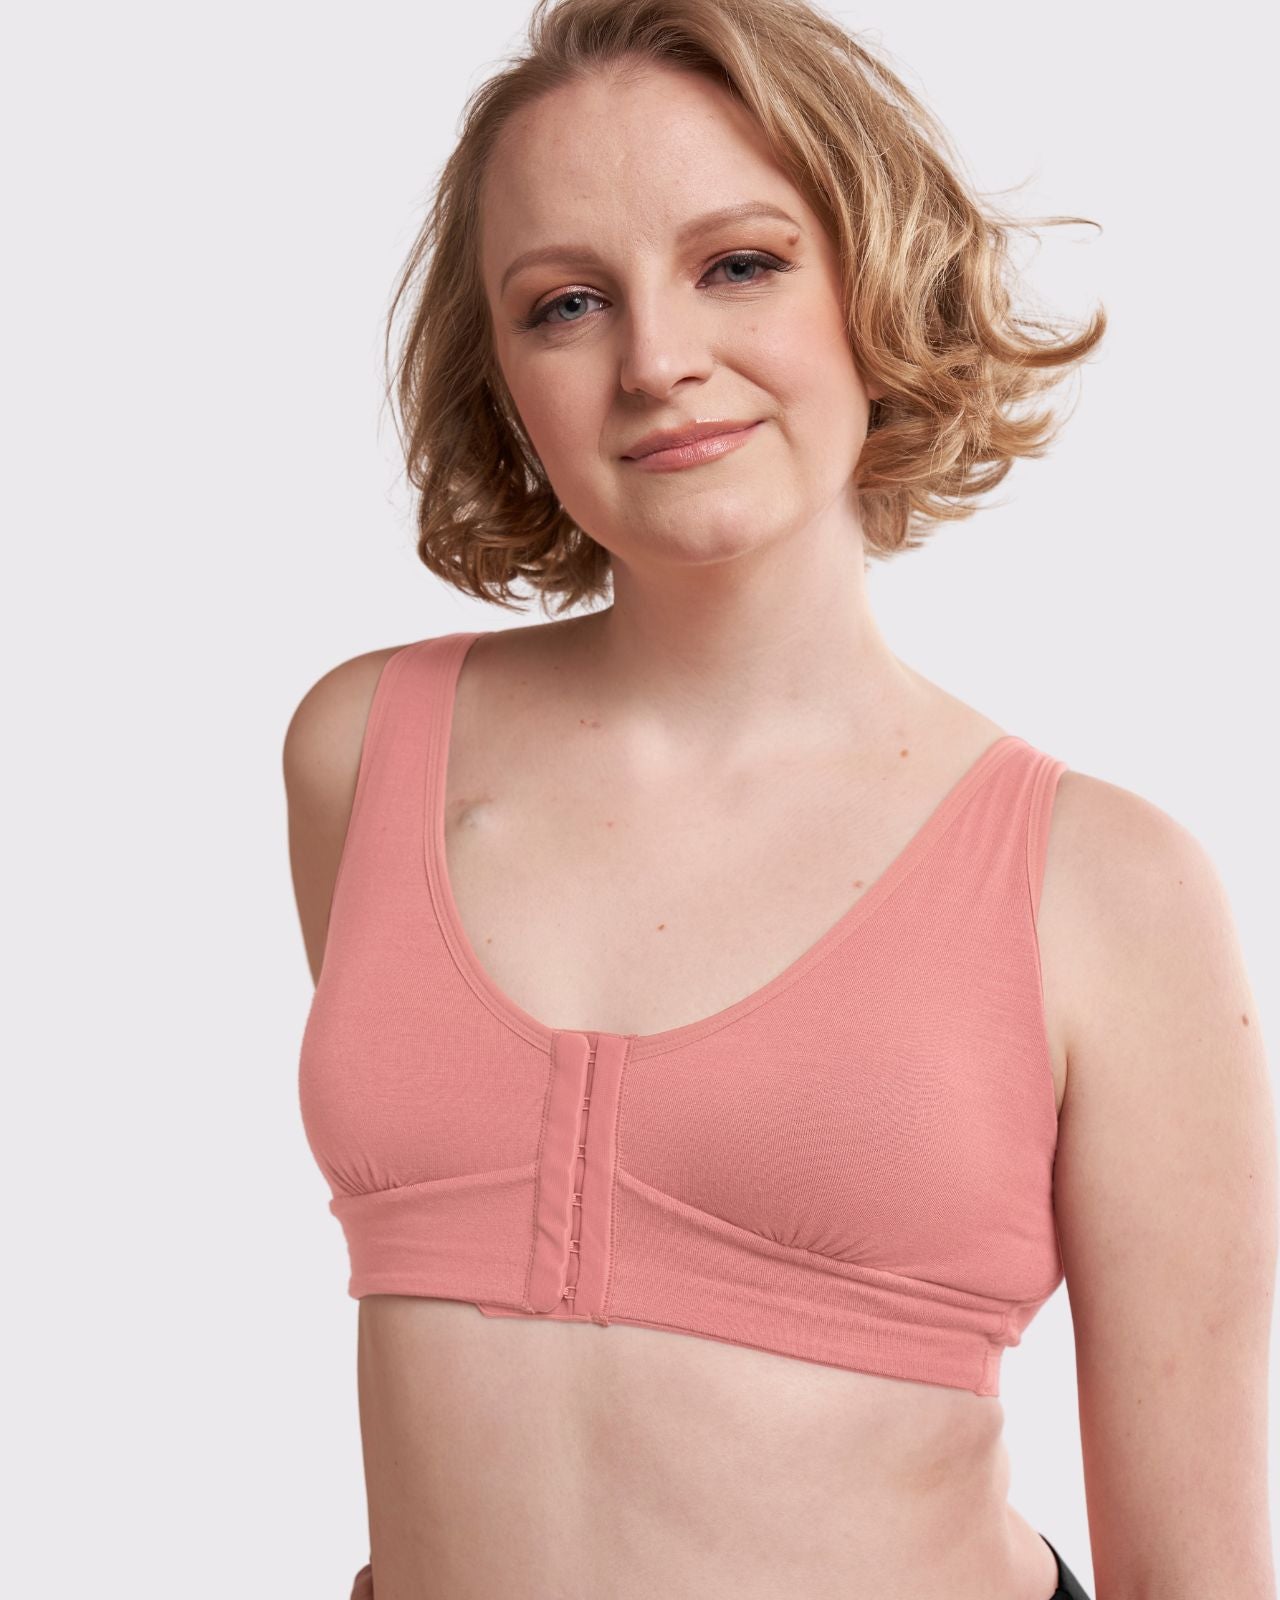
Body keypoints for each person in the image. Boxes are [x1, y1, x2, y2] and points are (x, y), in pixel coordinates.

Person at [282, 1, 1277, 1596]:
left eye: (738, 264)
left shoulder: (1105, 889)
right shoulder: (366, 752)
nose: (658, 362)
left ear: (876, 285)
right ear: (506, 378)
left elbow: (1198, 1573)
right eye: (566, 303)